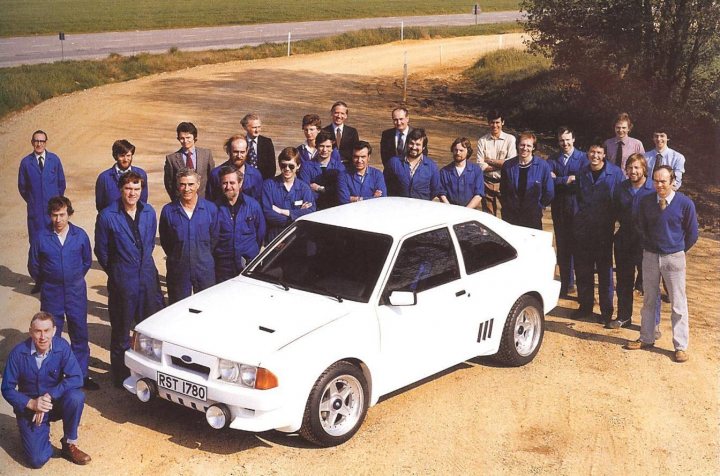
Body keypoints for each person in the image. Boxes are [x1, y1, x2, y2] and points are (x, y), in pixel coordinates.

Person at [95, 171, 164, 387]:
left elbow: (150, 243)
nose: (132, 193)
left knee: (151, 330)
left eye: (136, 189)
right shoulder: (107, 216)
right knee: (121, 332)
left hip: (147, 280)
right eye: (128, 188)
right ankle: (121, 375)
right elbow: (102, 251)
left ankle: (149, 374)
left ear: (141, 190)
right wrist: (117, 272)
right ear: (120, 189)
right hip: (122, 282)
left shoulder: (149, 211)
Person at [625, 166, 698, 363]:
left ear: (672, 181)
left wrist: (677, 249)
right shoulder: (646, 201)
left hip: (674, 258)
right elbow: (639, 225)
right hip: (650, 256)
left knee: (678, 302)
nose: (659, 185)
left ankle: (680, 346)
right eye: (656, 181)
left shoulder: (685, 204)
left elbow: (692, 234)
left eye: (663, 181)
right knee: (649, 299)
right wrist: (649, 246)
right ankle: (647, 337)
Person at [2, 312, 91, 467]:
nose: (43, 337)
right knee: (37, 460)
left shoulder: (61, 347)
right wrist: (31, 403)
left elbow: (76, 377)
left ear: (54, 331)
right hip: (30, 409)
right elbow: (7, 388)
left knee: (76, 397)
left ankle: (69, 443)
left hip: (54, 403)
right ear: (30, 332)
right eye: (38, 331)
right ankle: (36, 436)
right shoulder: (18, 354)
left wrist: (50, 395)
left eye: (47, 331)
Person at [28, 196, 97, 390]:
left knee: (79, 333)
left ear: (69, 214)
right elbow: (33, 265)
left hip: (76, 292)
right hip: (52, 293)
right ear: (49, 215)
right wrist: (49, 281)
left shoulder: (80, 235)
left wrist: (72, 278)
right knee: (51, 336)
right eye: (54, 215)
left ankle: (81, 375)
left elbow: (86, 261)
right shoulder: (41, 237)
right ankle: (54, 378)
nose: (58, 220)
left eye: (62, 215)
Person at [571, 143, 624, 324]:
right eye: (592, 151)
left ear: (604, 155)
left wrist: (613, 220)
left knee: (604, 272)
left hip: (604, 230)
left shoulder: (615, 173)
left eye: (599, 152)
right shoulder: (581, 172)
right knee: (583, 269)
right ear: (587, 153)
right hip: (584, 229)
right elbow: (577, 197)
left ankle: (606, 311)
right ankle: (585, 306)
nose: (595, 155)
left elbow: (620, 199)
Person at [609, 153, 657, 329]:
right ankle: (623, 317)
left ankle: (652, 324)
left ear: (644, 169)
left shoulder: (653, 189)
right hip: (624, 240)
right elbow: (613, 212)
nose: (633, 171)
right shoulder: (621, 188)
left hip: (646, 242)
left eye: (637, 167)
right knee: (623, 281)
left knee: (649, 283)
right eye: (630, 168)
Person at [160, 169, 219, 304]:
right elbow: (166, 241)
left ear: (198, 184)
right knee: (177, 307)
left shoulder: (211, 209)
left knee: (206, 306)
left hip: (204, 268)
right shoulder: (168, 211)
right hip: (179, 269)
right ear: (177, 185)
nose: (187, 189)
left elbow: (215, 238)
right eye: (183, 184)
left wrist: (202, 255)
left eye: (191, 184)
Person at [548, 126, 588, 297]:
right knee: (563, 247)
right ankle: (566, 284)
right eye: (561, 140)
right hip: (559, 208)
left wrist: (559, 179)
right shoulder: (552, 159)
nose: (565, 143)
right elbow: (549, 180)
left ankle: (583, 289)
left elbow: (581, 181)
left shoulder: (583, 158)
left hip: (577, 208)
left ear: (573, 140)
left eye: (567, 140)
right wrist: (567, 179)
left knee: (578, 248)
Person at [213, 166, 266, 282]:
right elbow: (212, 238)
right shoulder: (214, 208)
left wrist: (250, 251)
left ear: (240, 183)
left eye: (232, 183)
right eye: (224, 183)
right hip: (223, 266)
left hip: (248, 263)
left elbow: (260, 233)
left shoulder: (253, 206)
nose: (228, 187)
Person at [18, 130, 66, 247]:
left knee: (55, 241)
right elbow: (22, 187)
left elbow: (61, 183)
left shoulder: (54, 160)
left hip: (53, 210)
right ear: (32, 142)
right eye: (36, 141)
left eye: (42, 141)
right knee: (36, 243)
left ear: (45, 143)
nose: (39, 144)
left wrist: (56, 202)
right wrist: (33, 200)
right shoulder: (26, 163)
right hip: (36, 211)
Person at [499, 132, 554, 229]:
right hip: (511, 216)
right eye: (522, 145)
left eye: (529, 145)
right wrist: (508, 206)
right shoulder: (508, 166)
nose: (525, 148)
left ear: (533, 148)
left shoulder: (543, 166)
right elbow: (503, 190)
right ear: (517, 145)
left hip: (532, 217)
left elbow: (549, 192)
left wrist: (539, 206)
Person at [262, 147, 316, 243]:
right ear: (279, 164)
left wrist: (283, 211)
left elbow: (311, 211)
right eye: (284, 165)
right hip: (275, 238)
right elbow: (267, 213)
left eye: (291, 166)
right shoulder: (268, 185)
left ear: (298, 166)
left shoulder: (304, 188)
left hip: (297, 238)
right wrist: (296, 216)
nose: (287, 169)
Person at [476, 110, 516, 216]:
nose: (495, 125)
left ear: (502, 122)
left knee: (509, 213)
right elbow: (480, 165)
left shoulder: (510, 139)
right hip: (486, 183)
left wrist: (490, 161)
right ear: (488, 123)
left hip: (505, 182)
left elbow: (511, 163)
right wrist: (501, 165)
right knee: (488, 216)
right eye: (492, 122)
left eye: (497, 122)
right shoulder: (482, 141)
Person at [384, 128, 441, 200]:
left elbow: (435, 190)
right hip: (398, 207)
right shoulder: (394, 162)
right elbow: (386, 184)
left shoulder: (431, 166)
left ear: (423, 147)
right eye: (411, 143)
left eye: (418, 144)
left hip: (421, 208)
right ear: (407, 144)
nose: (414, 147)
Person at [164, 122, 215, 200]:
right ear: (178, 139)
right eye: (182, 138)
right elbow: (169, 183)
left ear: (194, 137)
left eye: (188, 137)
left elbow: (212, 178)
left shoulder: (206, 154)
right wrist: (177, 199)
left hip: (204, 200)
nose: (185, 141)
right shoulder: (171, 159)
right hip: (182, 201)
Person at [95, 139, 149, 211]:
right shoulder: (104, 178)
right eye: (122, 156)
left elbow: (143, 202)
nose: (126, 159)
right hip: (112, 220)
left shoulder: (141, 174)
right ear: (115, 156)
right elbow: (100, 207)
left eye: (128, 155)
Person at [297, 130, 345, 209]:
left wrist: (319, 188)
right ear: (316, 146)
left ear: (333, 148)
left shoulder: (339, 167)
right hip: (313, 206)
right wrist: (329, 190)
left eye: (328, 146)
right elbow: (304, 190)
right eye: (321, 146)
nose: (324, 150)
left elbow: (340, 190)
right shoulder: (306, 166)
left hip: (333, 207)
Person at [207, 135, 263, 202]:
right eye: (235, 152)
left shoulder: (255, 175)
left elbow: (259, 202)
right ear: (229, 151)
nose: (239, 156)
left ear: (247, 151)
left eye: (242, 152)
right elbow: (210, 202)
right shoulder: (216, 174)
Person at [438, 137, 484, 208]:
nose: (458, 153)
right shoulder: (444, 172)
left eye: (461, 150)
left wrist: (466, 211)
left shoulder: (476, 171)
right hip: (449, 211)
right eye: (455, 150)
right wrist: (450, 209)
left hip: (470, 212)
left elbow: (478, 195)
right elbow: (442, 194)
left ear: (468, 152)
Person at [242, 112, 276, 180]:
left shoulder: (267, 142)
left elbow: (272, 167)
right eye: (254, 127)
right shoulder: (241, 143)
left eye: (259, 127)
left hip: (263, 181)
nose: (257, 130)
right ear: (245, 128)